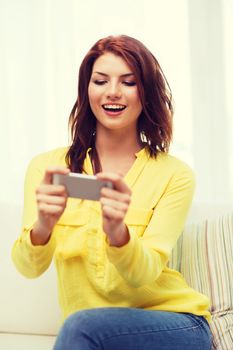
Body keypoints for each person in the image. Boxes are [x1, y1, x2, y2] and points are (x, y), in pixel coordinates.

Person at [12, 35, 212, 349]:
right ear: (86, 89)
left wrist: (118, 233)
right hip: (92, 332)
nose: (113, 92)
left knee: (81, 326)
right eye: (101, 81)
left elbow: (145, 274)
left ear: (146, 92)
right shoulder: (47, 167)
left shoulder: (175, 175)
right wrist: (44, 226)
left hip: (174, 324)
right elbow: (28, 267)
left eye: (128, 82)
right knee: (83, 326)